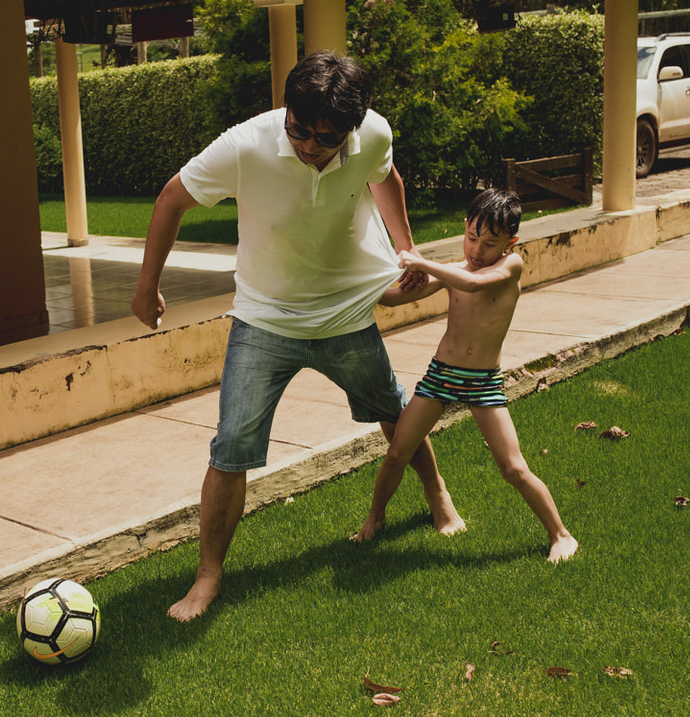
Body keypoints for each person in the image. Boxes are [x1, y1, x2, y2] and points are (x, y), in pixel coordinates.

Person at [132, 51, 464, 622]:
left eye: (326, 137)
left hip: (345, 312)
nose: (310, 145)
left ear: (353, 128)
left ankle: (437, 494)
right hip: (265, 319)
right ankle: (208, 577)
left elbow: (386, 177)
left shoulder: (374, 135)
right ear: (287, 111)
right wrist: (146, 286)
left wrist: (405, 248)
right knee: (231, 446)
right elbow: (170, 199)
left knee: (394, 410)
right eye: (300, 130)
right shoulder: (245, 146)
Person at [353, 188, 579, 563]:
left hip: (484, 382)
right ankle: (375, 518)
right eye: (471, 238)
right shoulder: (456, 270)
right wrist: (369, 277)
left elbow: (474, 283)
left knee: (513, 467)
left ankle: (561, 534)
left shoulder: (510, 267)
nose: (476, 251)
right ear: (464, 229)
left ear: (511, 243)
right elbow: (393, 299)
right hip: (442, 375)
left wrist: (423, 263)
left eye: (490, 243)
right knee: (397, 452)